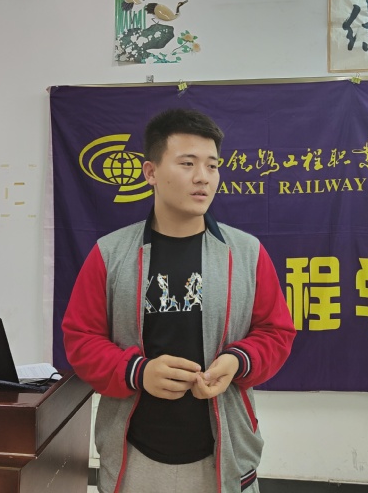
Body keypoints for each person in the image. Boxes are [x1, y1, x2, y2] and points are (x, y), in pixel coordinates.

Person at [62, 108, 296, 493]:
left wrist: (237, 361)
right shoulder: (110, 254)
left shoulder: (247, 253)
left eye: (212, 166)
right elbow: (81, 339)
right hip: (135, 457)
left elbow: (277, 332)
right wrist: (138, 372)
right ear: (151, 172)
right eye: (187, 163)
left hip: (224, 455)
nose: (203, 177)